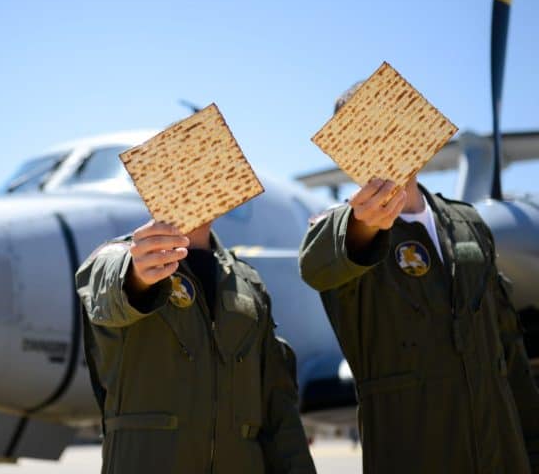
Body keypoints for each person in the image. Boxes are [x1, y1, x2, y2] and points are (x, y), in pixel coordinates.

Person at [298, 87, 539, 473]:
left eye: (390, 127)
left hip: (502, 454)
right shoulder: (343, 232)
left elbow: (508, 351)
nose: (381, 143)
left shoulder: (469, 223)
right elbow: (318, 265)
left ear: (415, 131)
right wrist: (362, 226)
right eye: (362, 134)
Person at [76, 219, 316, 473]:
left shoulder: (248, 282)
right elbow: (108, 289)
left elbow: (278, 411)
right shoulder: (120, 258)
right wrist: (135, 276)